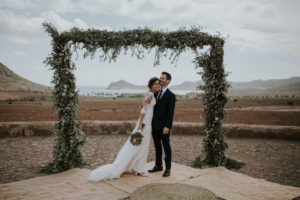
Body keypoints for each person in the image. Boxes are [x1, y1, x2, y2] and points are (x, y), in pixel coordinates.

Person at [88, 77, 160, 181]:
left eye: (159, 84)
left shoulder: (149, 94)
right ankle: (138, 169)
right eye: (156, 84)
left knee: (140, 146)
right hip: (144, 124)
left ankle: (137, 168)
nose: (158, 85)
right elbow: (143, 111)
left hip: (146, 123)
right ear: (151, 85)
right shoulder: (150, 95)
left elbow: (142, 106)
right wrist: (140, 124)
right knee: (140, 146)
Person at [148, 72, 176, 177]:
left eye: (163, 78)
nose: (161, 80)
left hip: (164, 127)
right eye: (160, 78)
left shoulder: (171, 96)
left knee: (166, 147)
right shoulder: (156, 93)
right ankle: (158, 165)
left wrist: (167, 126)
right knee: (157, 146)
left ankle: (168, 168)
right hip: (154, 125)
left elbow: (170, 113)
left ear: (168, 81)